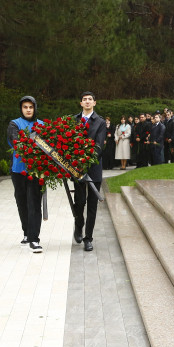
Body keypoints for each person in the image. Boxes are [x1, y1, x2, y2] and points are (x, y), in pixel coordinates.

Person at [7, 95, 45, 253]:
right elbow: (17, 142)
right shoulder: (14, 124)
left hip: (37, 171)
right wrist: (34, 139)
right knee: (22, 203)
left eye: (31, 107)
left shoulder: (42, 124)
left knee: (34, 203)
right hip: (19, 170)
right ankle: (26, 233)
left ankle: (34, 238)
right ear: (21, 109)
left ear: (35, 108)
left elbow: (48, 145)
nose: (28, 110)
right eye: (25, 107)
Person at [72, 91, 106, 252]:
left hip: (93, 168)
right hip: (77, 168)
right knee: (79, 203)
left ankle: (88, 238)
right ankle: (78, 226)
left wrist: (86, 161)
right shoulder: (74, 120)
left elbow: (99, 145)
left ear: (94, 103)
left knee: (92, 205)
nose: (87, 102)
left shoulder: (100, 122)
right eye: (84, 99)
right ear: (81, 103)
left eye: (89, 99)